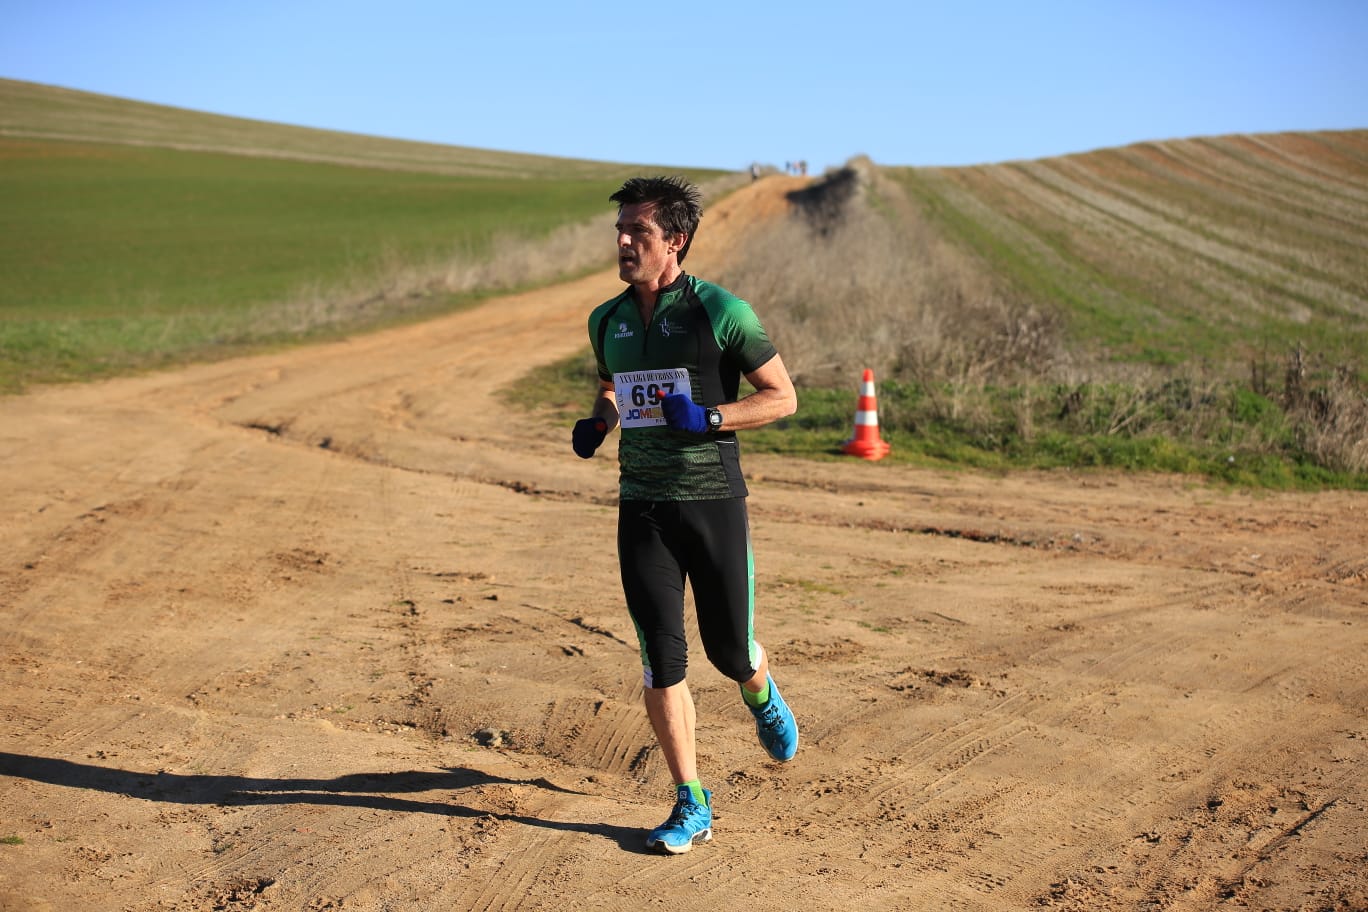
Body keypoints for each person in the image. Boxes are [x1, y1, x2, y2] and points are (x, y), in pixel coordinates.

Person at [571, 175, 799, 855]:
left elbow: (783, 397)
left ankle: (761, 693)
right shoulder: (605, 320)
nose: (622, 242)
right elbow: (613, 382)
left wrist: (712, 417)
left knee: (728, 650)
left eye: (637, 231)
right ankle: (691, 800)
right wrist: (599, 420)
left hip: (713, 504)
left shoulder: (720, 312)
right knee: (660, 660)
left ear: (674, 240)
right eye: (620, 230)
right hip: (641, 508)